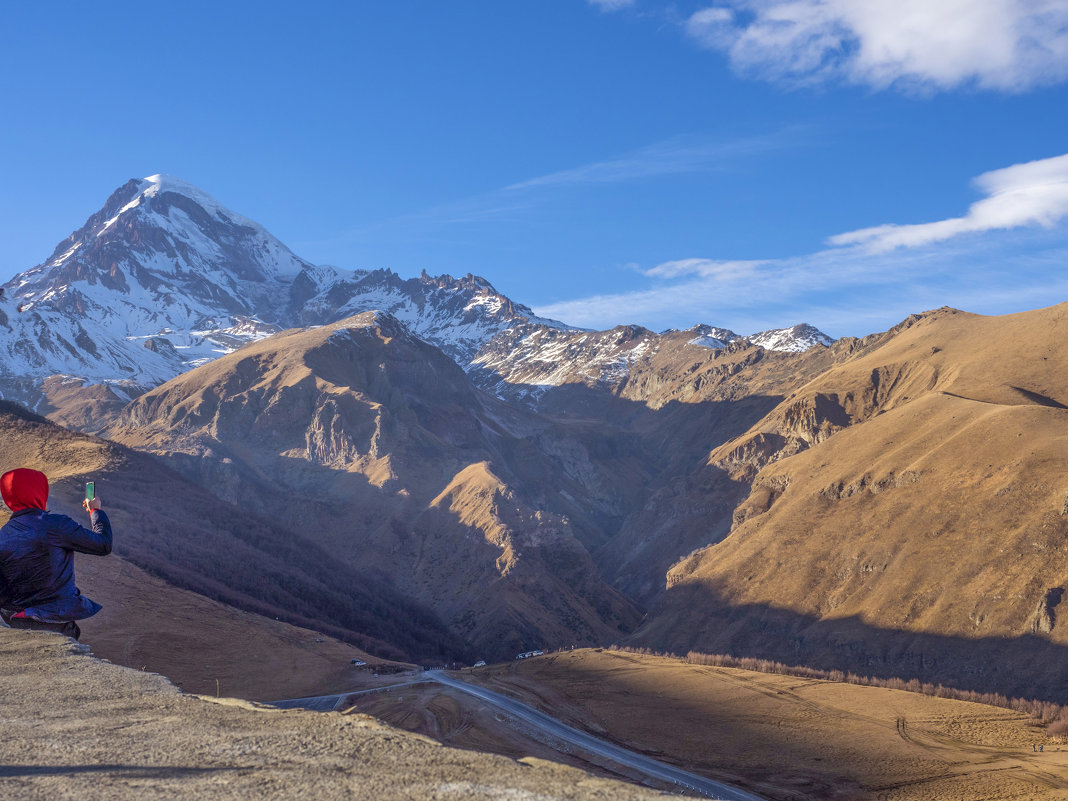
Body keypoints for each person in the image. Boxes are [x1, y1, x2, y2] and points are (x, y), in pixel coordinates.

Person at [0, 468, 113, 641]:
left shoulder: (3, 536)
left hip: (16, 624)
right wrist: (95, 511)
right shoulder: (56, 525)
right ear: (39, 491)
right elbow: (103, 544)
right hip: (56, 622)